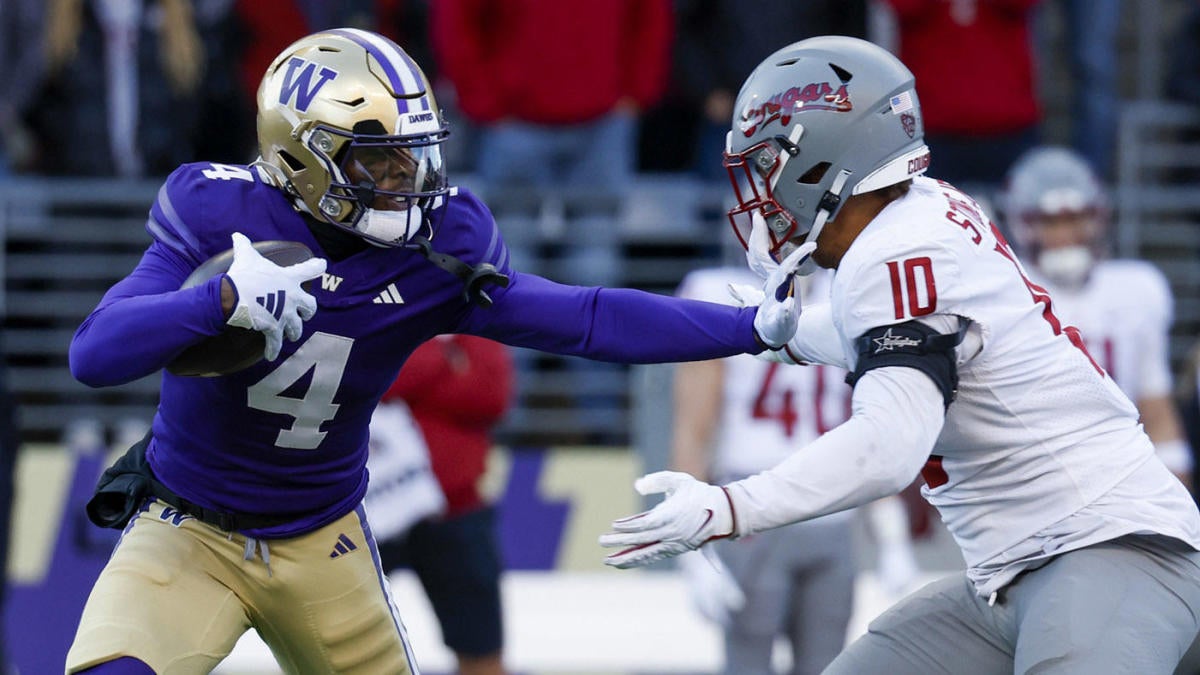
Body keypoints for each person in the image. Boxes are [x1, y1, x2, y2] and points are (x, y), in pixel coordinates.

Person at [64, 28, 805, 674]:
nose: (404, 183)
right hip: (190, 527)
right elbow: (94, 354)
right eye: (377, 163)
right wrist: (217, 300)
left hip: (324, 540)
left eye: (411, 158)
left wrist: (749, 328)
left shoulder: (435, 249)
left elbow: (584, 317)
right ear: (301, 158)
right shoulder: (217, 213)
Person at [600, 35, 1200, 674]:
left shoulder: (903, 251)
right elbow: (860, 332)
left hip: (1106, 547)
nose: (764, 197)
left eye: (770, 165)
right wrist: (774, 333)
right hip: (1010, 576)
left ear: (825, 162)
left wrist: (729, 508)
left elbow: (888, 447)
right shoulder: (910, 224)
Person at [671, 264, 918, 675]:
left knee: (830, 666)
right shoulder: (717, 289)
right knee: (749, 663)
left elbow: (874, 416)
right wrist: (692, 549)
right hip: (754, 509)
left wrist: (892, 536)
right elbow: (693, 427)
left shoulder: (851, 288)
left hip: (832, 513)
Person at [1005, 145, 1194, 487]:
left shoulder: (1137, 288)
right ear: (1023, 224)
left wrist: (1178, 490)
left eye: (1074, 219)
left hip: (1121, 466)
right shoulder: (1005, 292)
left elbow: (1155, 402)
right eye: (1050, 222)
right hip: (1031, 473)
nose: (1064, 234)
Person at [369, 335, 515, 675]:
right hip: (364, 512)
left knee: (482, 654)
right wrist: (442, 354)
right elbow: (369, 382)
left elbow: (490, 395)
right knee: (338, 651)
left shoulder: (474, 300)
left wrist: (404, 355)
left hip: (456, 510)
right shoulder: (376, 300)